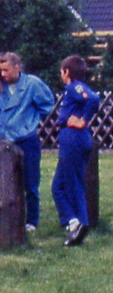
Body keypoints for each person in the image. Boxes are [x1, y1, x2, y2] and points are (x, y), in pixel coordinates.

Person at [0, 52, 55, 233]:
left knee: (30, 182)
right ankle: (10, 219)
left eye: (6, 70)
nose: (3, 74)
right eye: (0, 71)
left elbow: (47, 104)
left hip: (26, 140)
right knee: (8, 182)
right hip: (6, 140)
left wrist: (31, 120)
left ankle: (32, 220)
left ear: (17, 67)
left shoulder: (32, 84)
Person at [52, 55, 100, 246]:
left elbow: (94, 99)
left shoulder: (74, 87)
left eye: (61, 71)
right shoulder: (72, 90)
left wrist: (83, 120)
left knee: (73, 184)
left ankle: (81, 222)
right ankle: (73, 223)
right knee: (58, 187)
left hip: (73, 138)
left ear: (67, 72)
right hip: (72, 139)